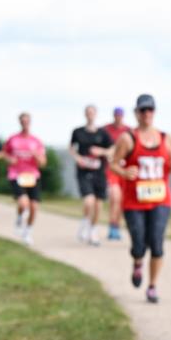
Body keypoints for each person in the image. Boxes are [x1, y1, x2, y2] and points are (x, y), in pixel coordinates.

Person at [111, 94, 171, 303]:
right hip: (134, 201)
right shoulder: (127, 138)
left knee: (157, 244)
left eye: (150, 109)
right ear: (136, 113)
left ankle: (152, 286)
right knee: (139, 244)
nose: (147, 114)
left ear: (154, 112)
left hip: (161, 200)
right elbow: (114, 163)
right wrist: (124, 173)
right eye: (143, 110)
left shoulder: (165, 138)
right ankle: (138, 262)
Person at [71, 105, 114, 246]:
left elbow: (112, 149)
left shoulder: (103, 133)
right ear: (85, 114)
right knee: (89, 201)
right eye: (88, 112)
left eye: (92, 112)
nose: (90, 115)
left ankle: (93, 231)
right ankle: (85, 221)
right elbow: (71, 148)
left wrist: (100, 151)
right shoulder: (77, 132)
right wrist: (78, 158)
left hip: (100, 172)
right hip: (84, 171)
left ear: (96, 114)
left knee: (98, 204)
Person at [4, 112, 47, 245]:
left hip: (32, 176)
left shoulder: (36, 141)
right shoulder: (13, 139)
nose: (25, 123)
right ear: (20, 122)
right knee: (24, 203)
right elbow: (5, 154)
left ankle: (27, 231)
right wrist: (9, 159)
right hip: (16, 174)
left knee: (34, 206)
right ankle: (19, 217)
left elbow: (43, 163)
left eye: (27, 121)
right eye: (23, 121)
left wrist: (37, 157)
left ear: (30, 122)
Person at [102, 107, 131, 241]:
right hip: (111, 169)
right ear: (113, 116)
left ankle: (116, 226)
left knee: (121, 201)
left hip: (124, 169)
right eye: (116, 115)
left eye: (120, 115)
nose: (118, 117)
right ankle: (112, 225)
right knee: (114, 197)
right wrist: (107, 152)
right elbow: (101, 146)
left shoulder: (128, 131)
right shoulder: (105, 129)